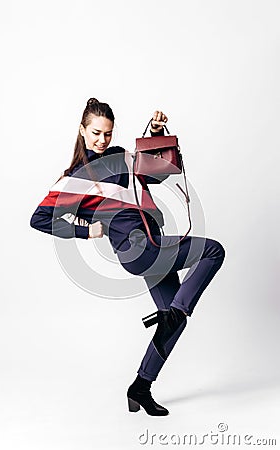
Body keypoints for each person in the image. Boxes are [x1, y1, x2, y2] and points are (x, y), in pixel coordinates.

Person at [30, 98, 225, 416]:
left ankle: (140, 388)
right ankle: (175, 313)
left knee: (172, 322)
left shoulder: (119, 157)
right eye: (95, 133)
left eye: (107, 133)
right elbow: (39, 218)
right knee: (213, 251)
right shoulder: (75, 179)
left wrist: (155, 134)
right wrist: (86, 230)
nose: (101, 140)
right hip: (141, 251)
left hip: (153, 243)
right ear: (82, 131)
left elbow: (158, 174)